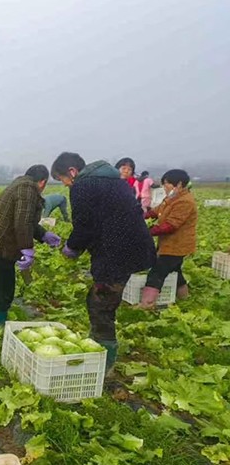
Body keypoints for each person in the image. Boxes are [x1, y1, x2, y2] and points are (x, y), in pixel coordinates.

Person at [52, 152, 156, 372]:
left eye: (63, 180)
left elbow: (84, 226)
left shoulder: (83, 186)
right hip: (133, 247)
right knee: (102, 299)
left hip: (115, 252)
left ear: (72, 172)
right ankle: (99, 345)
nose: (66, 185)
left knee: (101, 304)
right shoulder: (115, 181)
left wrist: (71, 248)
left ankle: (104, 359)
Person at [0, 164, 61, 325]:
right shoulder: (27, 190)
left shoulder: (20, 186)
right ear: (43, 182)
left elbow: (26, 220)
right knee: (5, 287)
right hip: (1, 246)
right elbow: (23, 223)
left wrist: (43, 234)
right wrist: (27, 249)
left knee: (2, 284)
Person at [140, 169, 197, 307]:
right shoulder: (171, 198)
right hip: (168, 243)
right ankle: (185, 299)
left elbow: (171, 225)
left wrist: (147, 232)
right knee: (175, 270)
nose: (164, 187)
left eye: (166, 184)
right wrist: (140, 217)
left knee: (157, 272)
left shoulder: (185, 202)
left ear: (178, 184)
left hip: (177, 245)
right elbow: (155, 211)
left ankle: (147, 304)